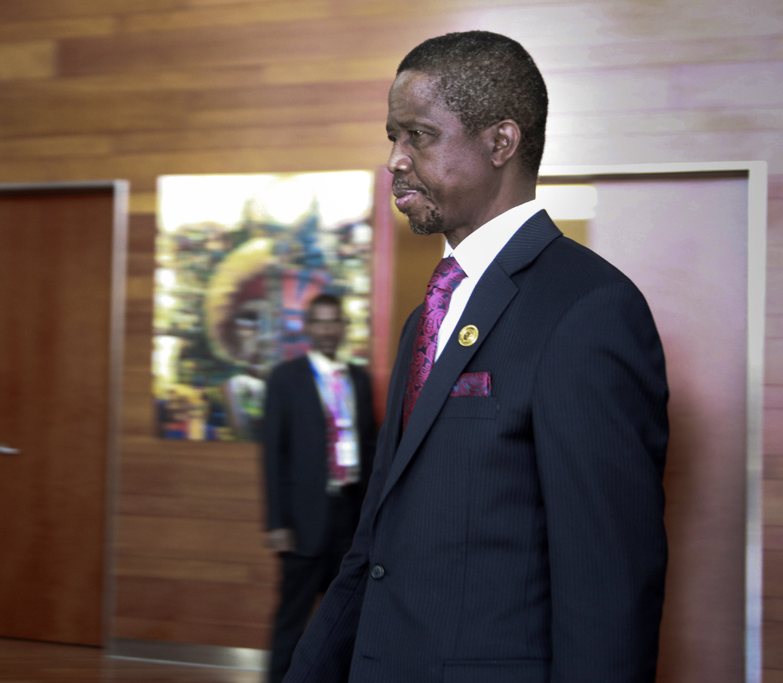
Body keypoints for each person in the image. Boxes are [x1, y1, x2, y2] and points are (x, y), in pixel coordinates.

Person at [283, 32, 669, 683]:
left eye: (419, 135)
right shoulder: (427, 317)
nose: (395, 160)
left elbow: (607, 586)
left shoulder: (589, 310)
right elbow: (373, 545)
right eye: (392, 137)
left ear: (501, 142)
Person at [262, 293, 377, 683]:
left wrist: (371, 517)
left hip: (349, 517)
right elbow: (273, 455)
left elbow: (370, 447)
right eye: (320, 322)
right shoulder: (286, 378)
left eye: (335, 322)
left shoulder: (359, 380)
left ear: (344, 327)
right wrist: (277, 522)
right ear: (308, 327)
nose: (328, 330)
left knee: (344, 618)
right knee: (292, 619)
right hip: (302, 521)